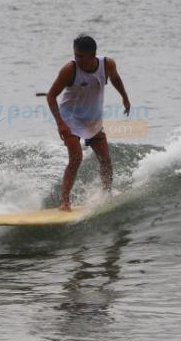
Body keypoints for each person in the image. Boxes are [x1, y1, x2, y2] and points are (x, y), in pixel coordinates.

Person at [46, 35, 131, 211]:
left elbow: (115, 78)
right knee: (76, 158)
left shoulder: (108, 64)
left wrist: (124, 97)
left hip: (93, 119)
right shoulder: (70, 70)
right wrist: (60, 123)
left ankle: (106, 194)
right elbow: (51, 96)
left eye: (81, 56)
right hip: (70, 119)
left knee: (105, 159)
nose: (77, 59)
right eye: (75, 55)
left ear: (93, 55)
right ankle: (65, 202)